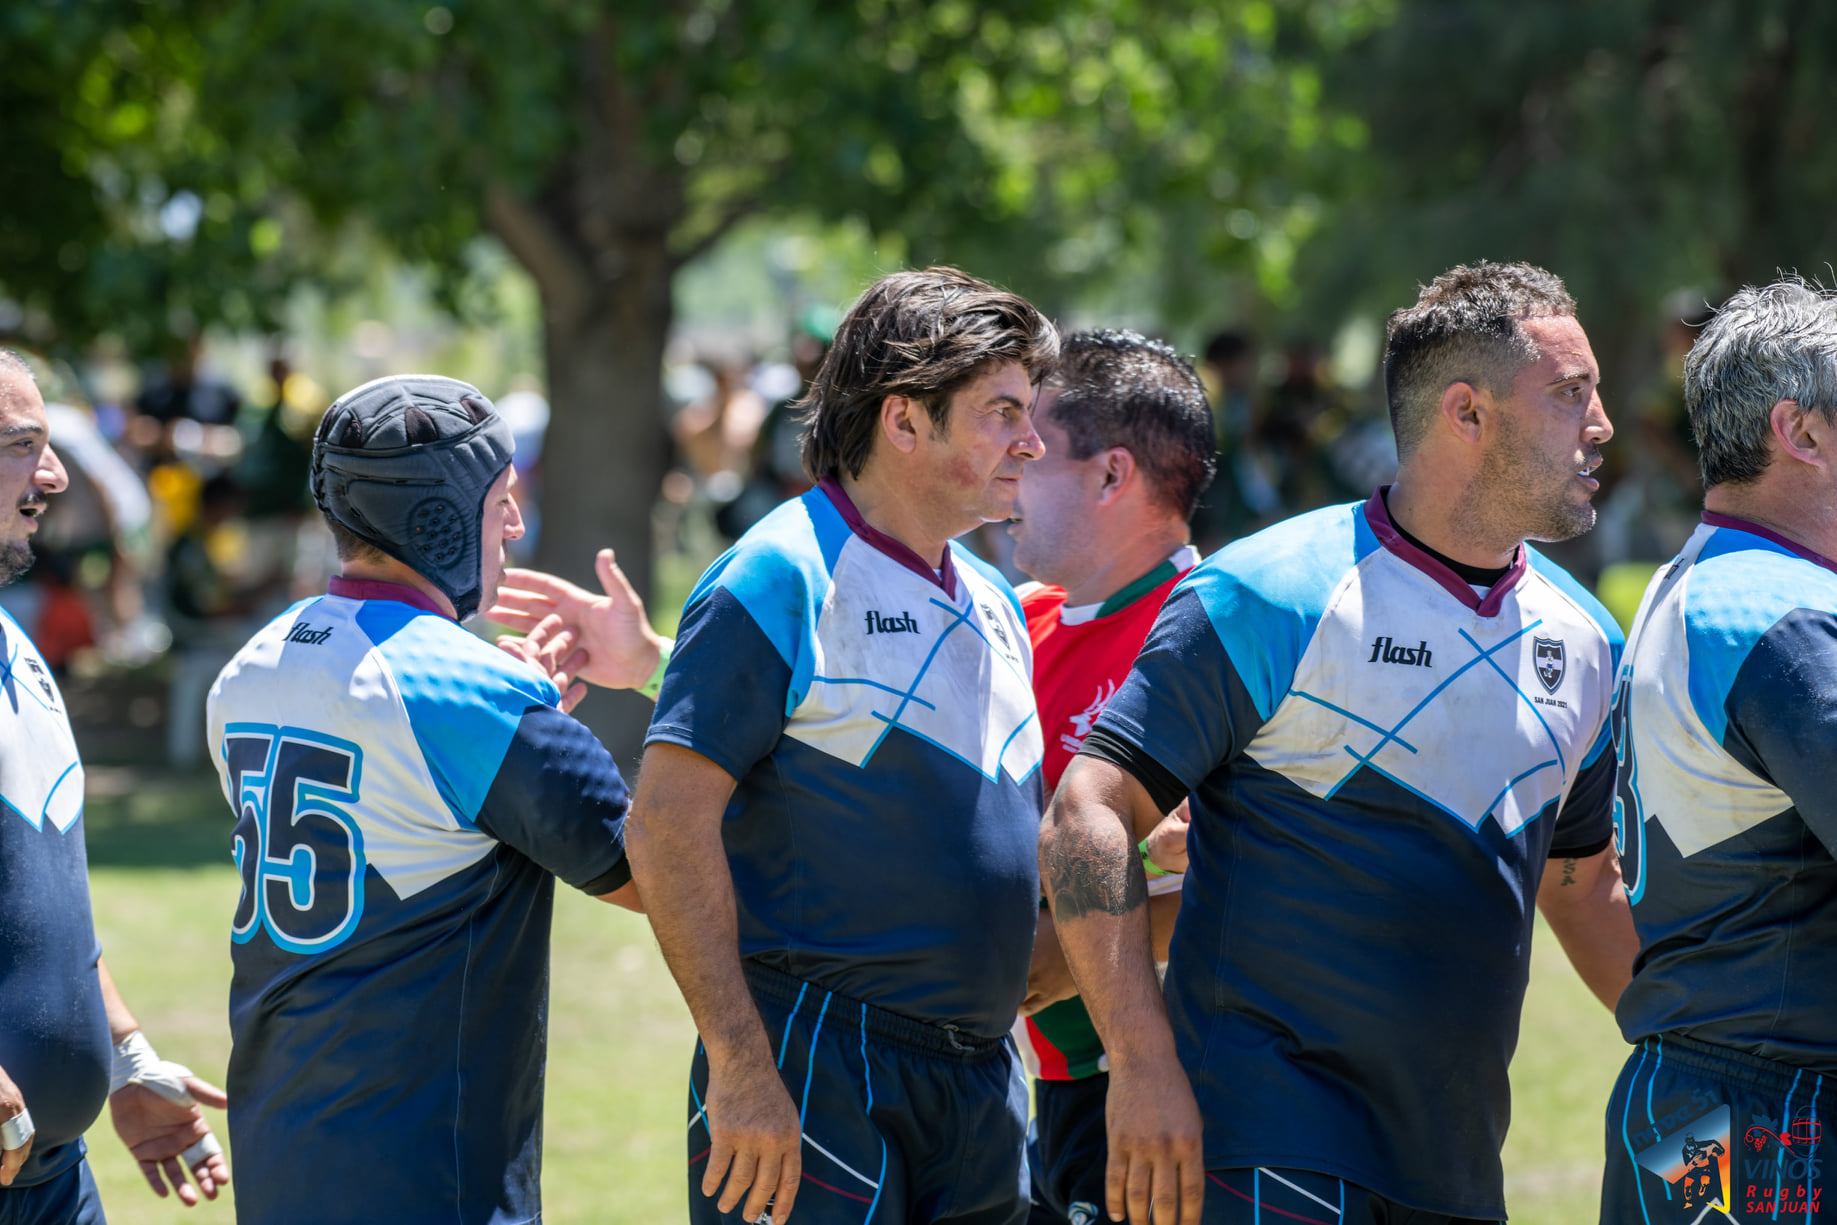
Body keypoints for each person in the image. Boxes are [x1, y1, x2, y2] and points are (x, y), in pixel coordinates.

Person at [1039, 262, 1640, 1225]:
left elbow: (1579, 882)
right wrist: (1142, 1068)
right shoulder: (1268, 593)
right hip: (1259, 1148)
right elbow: (1088, 811)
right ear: (1466, 413)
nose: (1602, 422)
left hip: (1452, 1163)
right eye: (1571, 394)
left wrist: (1722, 1042)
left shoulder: (1586, 639)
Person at [625, 267, 1056, 1225]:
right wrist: (739, 1063)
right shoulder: (780, 572)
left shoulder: (993, 601)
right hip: (814, 1063)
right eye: (1000, 412)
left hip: (981, 1078)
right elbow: (662, 825)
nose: (1031, 441)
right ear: (904, 421)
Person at [204, 374, 649, 1225]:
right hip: (423, 1172)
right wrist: (657, 679)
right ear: (439, 515)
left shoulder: (252, 664)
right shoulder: (466, 691)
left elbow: (404, 783)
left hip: (282, 1149)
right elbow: (663, 874)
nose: (515, 524)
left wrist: (518, 714)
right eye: (500, 500)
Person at [1602, 277, 1837, 1223]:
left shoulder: (1696, 583)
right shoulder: (1782, 617)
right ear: (1802, 432)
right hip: (1775, 1117)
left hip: (1694, 1095)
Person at [0, 349, 230, 1222]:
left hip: (55, 1177)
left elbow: (46, 908)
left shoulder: (18, 648)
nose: (54, 476)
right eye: (24, 445)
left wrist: (124, 1056)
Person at [1004, 330, 1217, 1225]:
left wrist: (1077, 944)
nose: (1001, 469)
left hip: (1157, 1092)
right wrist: (660, 665)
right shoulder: (1016, 617)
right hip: (1022, 1090)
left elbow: (1261, 875)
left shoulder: (1217, 640)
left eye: (1028, 448)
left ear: (1108, 475)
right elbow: (857, 710)